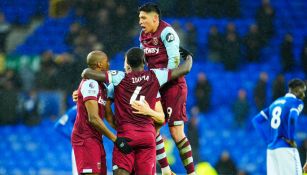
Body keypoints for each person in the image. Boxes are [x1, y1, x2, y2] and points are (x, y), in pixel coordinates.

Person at [81, 47, 193, 174]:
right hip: (147, 136)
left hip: (127, 134)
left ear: (127, 64)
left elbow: (89, 73)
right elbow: (185, 69)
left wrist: (85, 71)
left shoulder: (119, 77)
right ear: (144, 61)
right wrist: (189, 57)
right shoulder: (156, 75)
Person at [138, 3, 196, 174]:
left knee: (176, 133)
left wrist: (159, 80)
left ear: (155, 18)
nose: (140, 21)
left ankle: (191, 172)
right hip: (155, 87)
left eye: (143, 18)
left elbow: (174, 63)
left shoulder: (167, 32)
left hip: (172, 86)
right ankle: (165, 170)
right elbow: (143, 63)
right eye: (139, 18)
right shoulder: (143, 35)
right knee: (152, 128)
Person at [72, 51, 132, 175]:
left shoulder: (102, 86)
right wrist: (115, 139)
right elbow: (93, 118)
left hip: (96, 138)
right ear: (100, 64)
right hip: (85, 138)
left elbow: (105, 114)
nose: (109, 64)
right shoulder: (90, 83)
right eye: (106, 62)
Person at [252, 78, 307, 175]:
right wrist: (290, 139)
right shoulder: (297, 102)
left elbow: (256, 120)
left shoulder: (275, 103)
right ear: (297, 89)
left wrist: (268, 140)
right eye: (303, 90)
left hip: (271, 150)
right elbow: (292, 117)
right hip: (286, 148)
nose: (304, 94)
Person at [54, 105, 78, 175]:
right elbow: (58, 126)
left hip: (91, 146)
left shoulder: (92, 106)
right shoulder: (75, 109)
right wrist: (71, 137)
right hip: (79, 147)